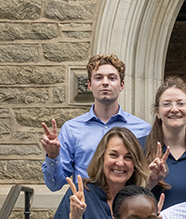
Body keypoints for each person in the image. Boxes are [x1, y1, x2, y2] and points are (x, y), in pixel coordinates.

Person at [41, 54, 151, 191]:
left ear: (121, 85)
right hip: (87, 203)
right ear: (89, 85)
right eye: (98, 78)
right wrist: (53, 157)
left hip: (126, 202)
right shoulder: (72, 129)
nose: (105, 82)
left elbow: (147, 178)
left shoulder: (143, 129)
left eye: (112, 78)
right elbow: (55, 185)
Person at [140, 77, 186, 210]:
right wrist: (149, 182)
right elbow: (124, 199)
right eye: (167, 104)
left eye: (181, 103)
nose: (174, 109)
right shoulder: (139, 149)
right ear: (157, 112)